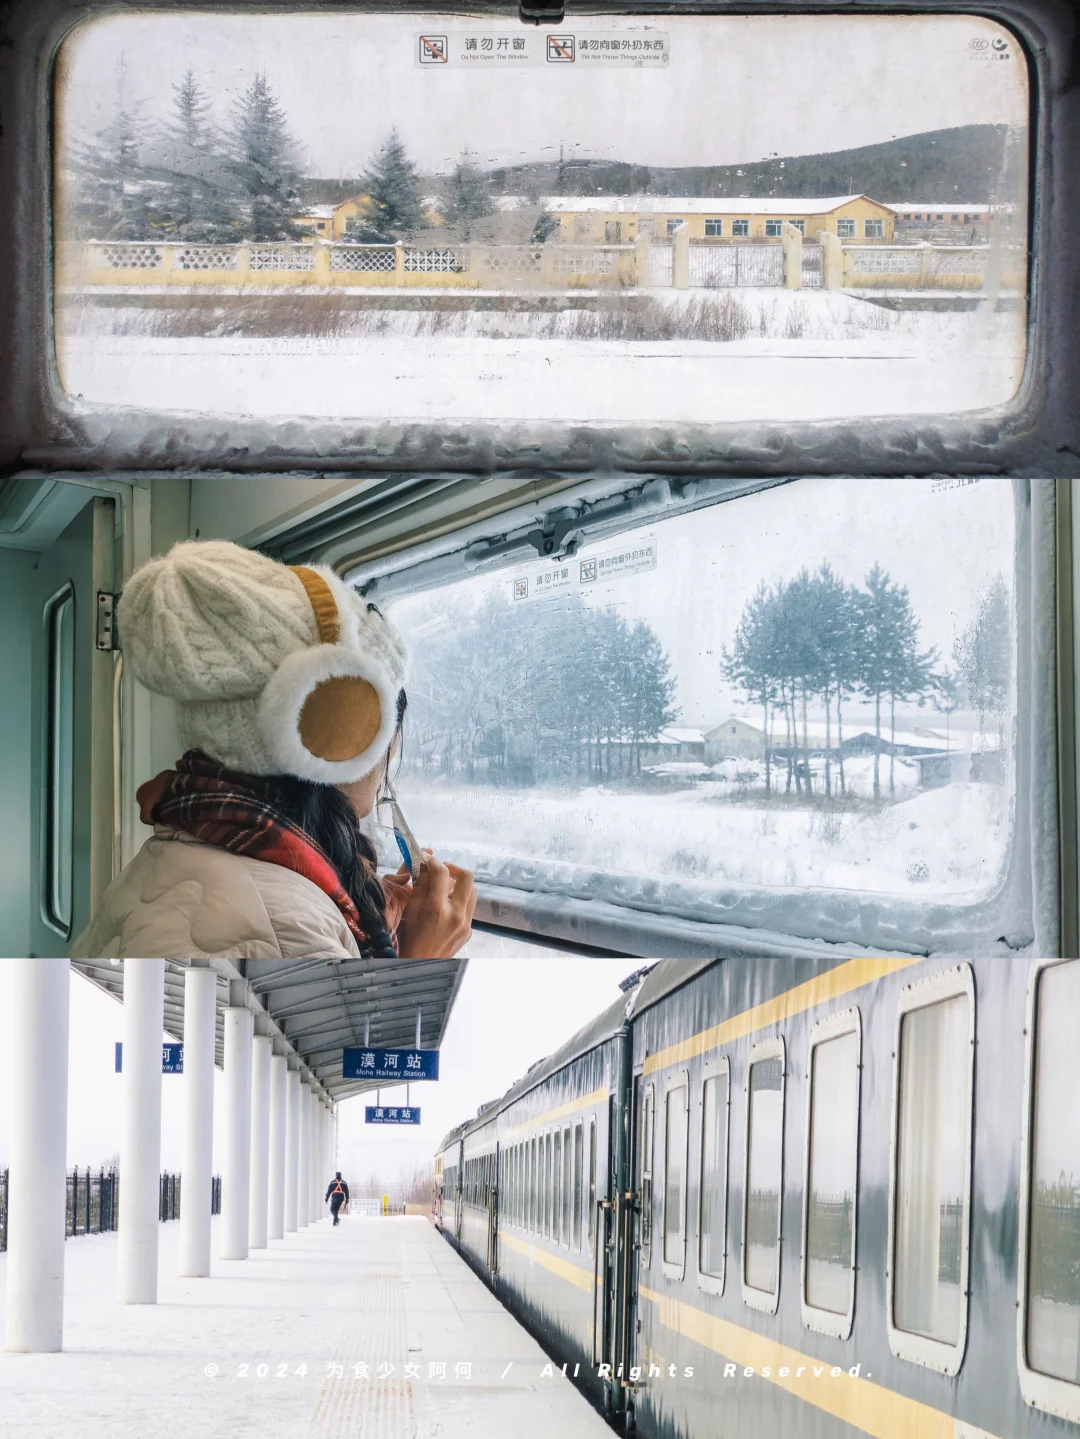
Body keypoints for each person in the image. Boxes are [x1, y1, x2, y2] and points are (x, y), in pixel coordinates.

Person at [71, 540, 477, 960]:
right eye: (381, 735)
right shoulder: (289, 931)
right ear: (337, 735)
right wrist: (421, 960)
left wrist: (361, 912)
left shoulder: (187, 842)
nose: (385, 766)